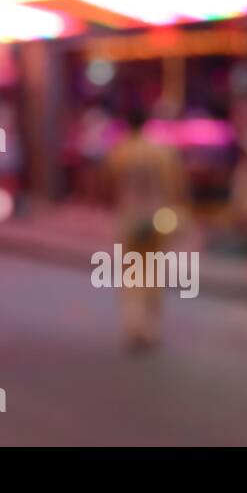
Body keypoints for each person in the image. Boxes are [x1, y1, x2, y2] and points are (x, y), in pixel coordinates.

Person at [101, 106, 188, 352]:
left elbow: (107, 185)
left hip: (129, 218)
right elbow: (175, 185)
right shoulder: (160, 152)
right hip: (156, 217)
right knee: (153, 274)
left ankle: (134, 326)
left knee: (132, 275)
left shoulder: (120, 152)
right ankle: (150, 328)